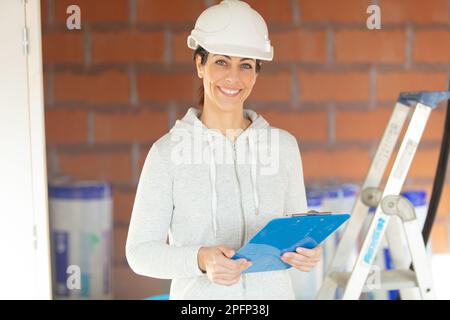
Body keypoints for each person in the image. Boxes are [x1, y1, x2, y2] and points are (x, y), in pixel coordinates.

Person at [126, 0, 322, 300]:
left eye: (245, 65)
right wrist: (201, 259)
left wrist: (307, 252)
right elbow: (140, 253)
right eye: (221, 61)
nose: (233, 77)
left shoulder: (283, 147)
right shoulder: (167, 154)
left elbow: (296, 230)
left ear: (257, 73)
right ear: (199, 65)